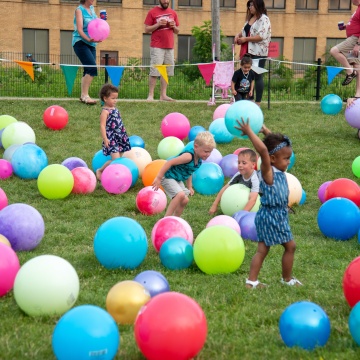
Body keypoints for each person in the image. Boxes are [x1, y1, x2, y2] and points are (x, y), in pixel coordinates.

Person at [235, 119, 301, 288]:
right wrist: (250, 131)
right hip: (272, 216)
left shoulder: (277, 168)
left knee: (263, 250)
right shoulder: (268, 172)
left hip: (273, 215)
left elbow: (272, 148)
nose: (288, 161)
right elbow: (264, 150)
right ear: (272, 159)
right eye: (286, 158)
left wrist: (266, 132)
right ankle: (286, 280)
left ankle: (252, 281)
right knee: (289, 246)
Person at [152, 131, 216, 217]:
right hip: (168, 176)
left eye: (210, 152)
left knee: (185, 200)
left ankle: (175, 218)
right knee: (180, 195)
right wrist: (159, 178)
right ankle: (166, 218)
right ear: (196, 147)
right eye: (206, 151)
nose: (208, 154)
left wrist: (189, 186)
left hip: (177, 178)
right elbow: (169, 163)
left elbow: (189, 171)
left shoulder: (199, 160)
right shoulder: (188, 156)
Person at [234, 0, 271, 106]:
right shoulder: (250, 18)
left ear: (258, 5)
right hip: (248, 52)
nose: (250, 7)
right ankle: (250, 100)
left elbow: (261, 36)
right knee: (248, 75)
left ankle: (257, 102)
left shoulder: (264, 19)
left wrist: (245, 39)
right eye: (249, 5)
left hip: (259, 52)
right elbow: (244, 30)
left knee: (257, 76)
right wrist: (238, 35)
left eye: (252, 5)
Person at [144, 0, 180, 102]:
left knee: (166, 71)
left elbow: (178, 31)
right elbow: (146, 29)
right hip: (157, 46)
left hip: (169, 46)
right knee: (155, 70)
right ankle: (150, 95)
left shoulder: (173, 13)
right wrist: (158, 24)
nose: (166, 1)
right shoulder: (152, 12)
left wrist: (173, 26)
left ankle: (163, 95)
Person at [95, 84, 131, 180]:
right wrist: (105, 139)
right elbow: (102, 126)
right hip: (111, 139)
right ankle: (100, 170)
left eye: (116, 98)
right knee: (116, 160)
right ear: (105, 98)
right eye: (113, 98)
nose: (115, 100)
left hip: (120, 136)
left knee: (119, 159)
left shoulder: (115, 109)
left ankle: (115, 175)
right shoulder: (105, 111)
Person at [209, 148, 259, 215]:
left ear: (253, 165)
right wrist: (214, 205)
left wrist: (241, 214)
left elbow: (253, 199)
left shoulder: (255, 179)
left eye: (244, 163)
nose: (240, 165)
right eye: (239, 162)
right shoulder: (239, 174)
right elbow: (225, 188)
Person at [72, 0, 102, 105]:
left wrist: (102, 22)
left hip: (91, 44)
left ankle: (83, 96)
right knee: (92, 68)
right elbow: (80, 30)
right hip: (80, 42)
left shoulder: (92, 9)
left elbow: (96, 25)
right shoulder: (79, 10)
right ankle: (85, 96)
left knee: (88, 70)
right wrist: (88, 39)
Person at [330, 0, 360, 94]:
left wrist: (358, 44)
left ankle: (350, 72)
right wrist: (345, 27)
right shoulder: (358, 9)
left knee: (334, 51)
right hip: (353, 38)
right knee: (357, 66)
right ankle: (358, 95)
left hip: (355, 39)